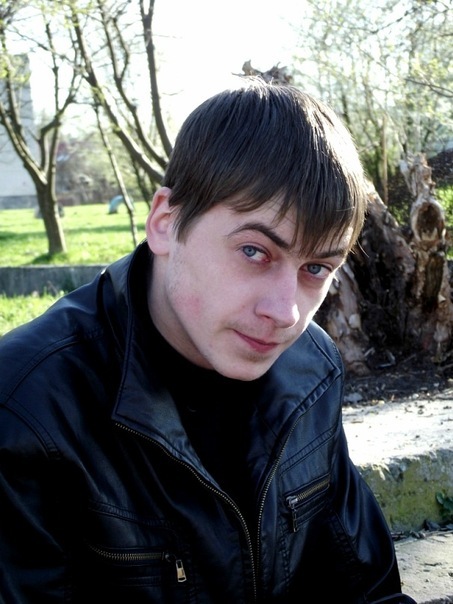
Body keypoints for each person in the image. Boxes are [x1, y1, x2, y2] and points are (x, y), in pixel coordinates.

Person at [0, 79, 416, 603]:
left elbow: (367, 590)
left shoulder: (311, 366)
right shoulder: (26, 412)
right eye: (254, 252)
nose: (286, 312)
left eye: (315, 268)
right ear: (165, 223)